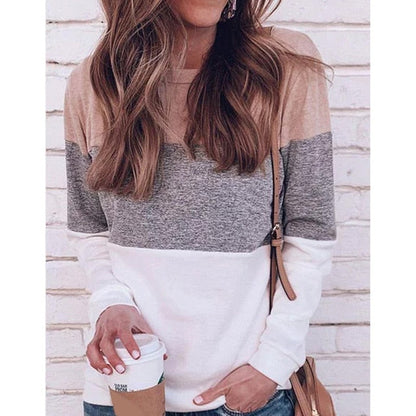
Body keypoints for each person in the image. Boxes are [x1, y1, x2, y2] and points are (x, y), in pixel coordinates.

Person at [63, 0, 337, 415]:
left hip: (247, 395)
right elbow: (90, 228)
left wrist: (273, 363)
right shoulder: (94, 83)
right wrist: (109, 299)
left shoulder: (283, 71)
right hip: (123, 390)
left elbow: (310, 232)